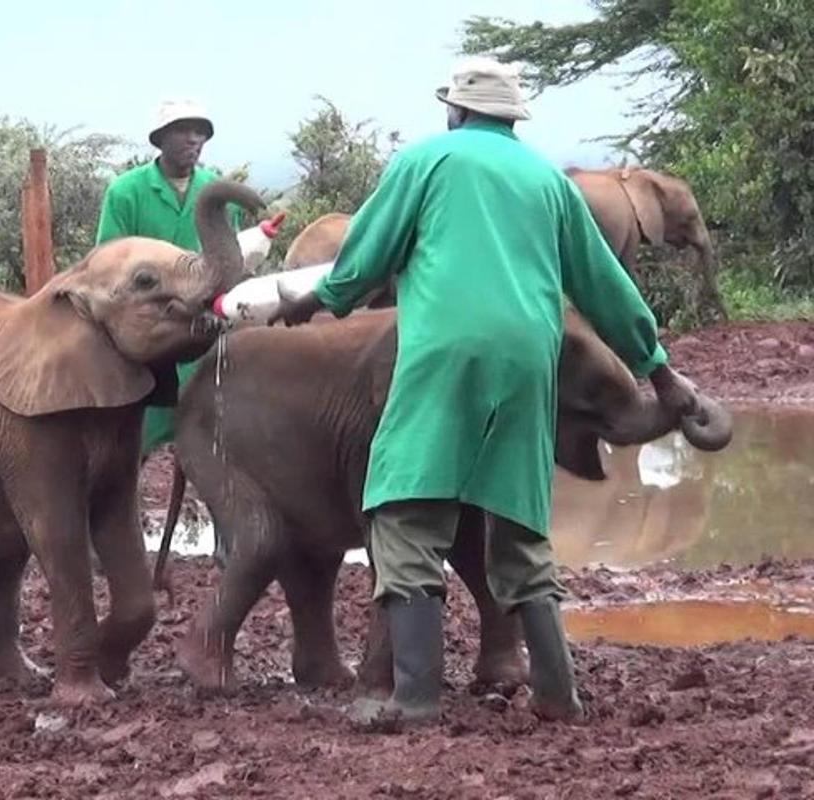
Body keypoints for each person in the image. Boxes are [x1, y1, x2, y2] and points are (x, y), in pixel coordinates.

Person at [269, 57, 703, 727]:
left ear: (456, 110)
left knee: (405, 507)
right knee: (518, 517)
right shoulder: (548, 179)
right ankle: (559, 695)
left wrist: (317, 300)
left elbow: (366, 258)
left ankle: (414, 699)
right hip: (533, 355)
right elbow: (603, 284)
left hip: (443, 350)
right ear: (510, 116)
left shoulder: (425, 161)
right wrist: (659, 368)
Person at [96, 99, 245, 460]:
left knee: (215, 446)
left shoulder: (216, 194)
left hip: (204, 333)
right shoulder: (126, 192)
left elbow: (230, 263)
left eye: (200, 132)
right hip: (150, 338)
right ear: (160, 139)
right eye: (182, 130)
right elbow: (107, 265)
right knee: (133, 446)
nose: (193, 139)